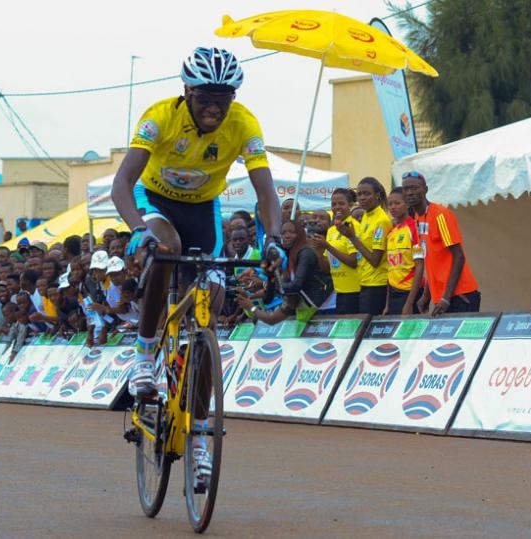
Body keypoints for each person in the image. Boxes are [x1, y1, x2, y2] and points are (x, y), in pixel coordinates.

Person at [111, 46, 284, 486]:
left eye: (222, 100)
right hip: (156, 203)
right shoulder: (159, 118)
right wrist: (136, 230)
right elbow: (122, 183)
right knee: (165, 249)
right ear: (186, 91)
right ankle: (145, 353)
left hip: (203, 209)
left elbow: (265, 192)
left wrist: (275, 238)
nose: (213, 108)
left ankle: (200, 438)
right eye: (205, 98)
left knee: (211, 306)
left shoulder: (244, 123)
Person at [402, 171, 481, 316]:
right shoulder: (417, 219)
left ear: (425, 189)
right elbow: (431, 260)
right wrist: (427, 295)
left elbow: (459, 256)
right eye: (406, 189)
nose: (410, 193)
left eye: (414, 188)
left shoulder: (440, 215)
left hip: (459, 295)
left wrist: (446, 298)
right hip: (442, 297)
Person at [236, 220, 332, 325]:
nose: (287, 236)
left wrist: (263, 288)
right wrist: (249, 299)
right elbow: (271, 319)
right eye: (283, 233)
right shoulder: (288, 259)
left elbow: (295, 285)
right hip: (309, 306)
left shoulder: (306, 253)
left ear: (301, 234)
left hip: (328, 306)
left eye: (292, 232)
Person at [337, 177, 392, 315]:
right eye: (359, 194)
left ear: (377, 195)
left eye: (366, 194)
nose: (362, 198)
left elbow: (375, 260)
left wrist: (352, 237)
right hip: (364, 282)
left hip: (377, 284)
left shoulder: (381, 220)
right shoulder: (366, 215)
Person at [314, 188, 360, 315]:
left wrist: (327, 246)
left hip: (355, 290)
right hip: (339, 291)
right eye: (333, 204)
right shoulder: (331, 230)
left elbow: (353, 262)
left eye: (341, 204)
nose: (337, 207)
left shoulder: (354, 226)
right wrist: (319, 252)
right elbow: (327, 268)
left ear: (350, 205)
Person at [384, 187, 424, 315]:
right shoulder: (391, 232)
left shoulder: (414, 229)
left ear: (407, 204)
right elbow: (390, 269)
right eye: (390, 204)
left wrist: (409, 303)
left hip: (410, 292)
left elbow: (419, 265)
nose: (392, 207)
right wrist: (387, 305)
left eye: (397, 203)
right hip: (393, 294)